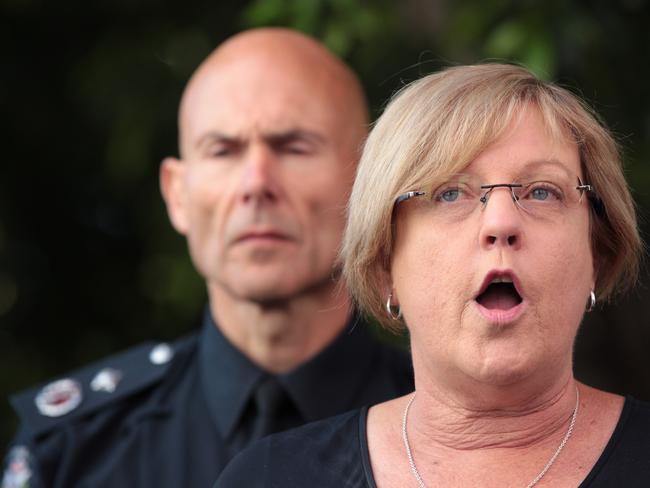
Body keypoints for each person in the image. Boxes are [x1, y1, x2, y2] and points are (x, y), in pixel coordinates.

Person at [2, 28, 413, 488]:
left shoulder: (462, 429)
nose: (256, 183)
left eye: (294, 147)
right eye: (223, 151)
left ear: (365, 183)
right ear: (177, 195)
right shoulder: (74, 450)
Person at [216, 63, 650, 487]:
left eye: (541, 191)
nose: (500, 222)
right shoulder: (271, 475)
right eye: (449, 193)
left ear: (595, 252)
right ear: (385, 265)